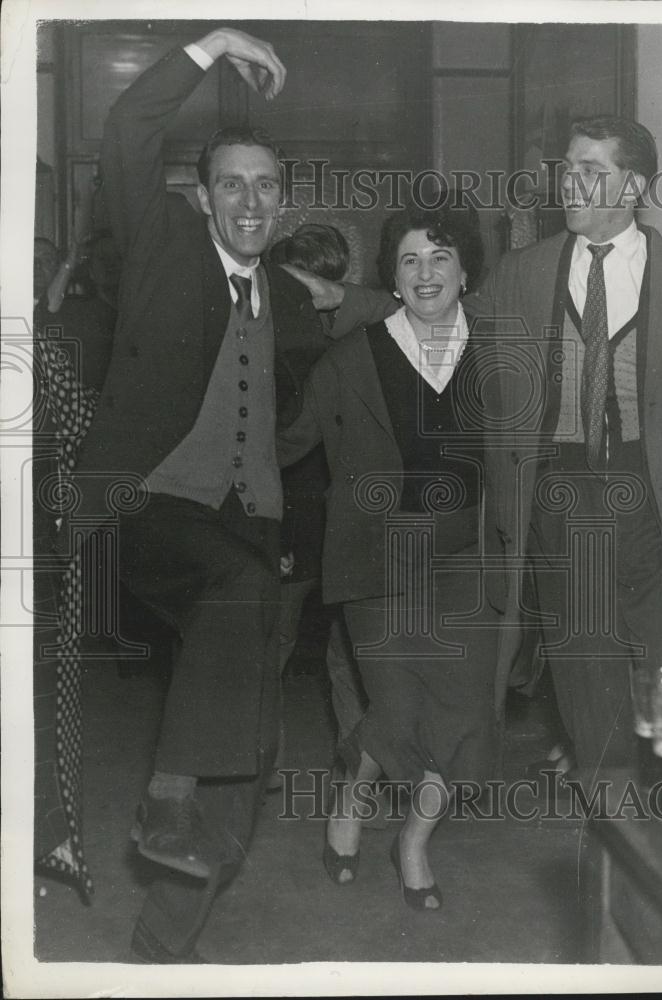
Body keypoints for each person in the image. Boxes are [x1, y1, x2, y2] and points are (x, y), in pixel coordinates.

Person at [288, 115, 662, 773]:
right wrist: (343, 298)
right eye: (568, 167)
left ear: (634, 185)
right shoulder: (523, 275)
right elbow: (434, 303)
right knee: (596, 716)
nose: (572, 182)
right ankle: (613, 854)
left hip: (659, 513)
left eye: (593, 170)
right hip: (559, 509)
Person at [63, 27, 327, 962]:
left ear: (281, 204)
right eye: (231, 184)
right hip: (144, 503)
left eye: (265, 187)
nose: (249, 200)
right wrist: (213, 43)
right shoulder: (162, 247)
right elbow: (131, 124)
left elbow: (355, 312)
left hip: (241, 524)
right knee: (237, 595)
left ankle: (162, 940)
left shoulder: (286, 298)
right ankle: (167, 798)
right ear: (203, 197)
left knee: (253, 748)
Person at [278, 203, 498, 910]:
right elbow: (286, 443)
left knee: (462, 714)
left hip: (469, 551)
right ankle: (358, 802)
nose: (426, 272)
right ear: (392, 280)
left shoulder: (501, 347)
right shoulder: (354, 356)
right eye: (409, 260)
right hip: (379, 553)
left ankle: (411, 838)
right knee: (400, 708)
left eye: (440, 257)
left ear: (466, 272)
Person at [267, 223, 365, 786]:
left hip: (312, 522)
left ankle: (271, 771)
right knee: (345, 657)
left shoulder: (347, 344)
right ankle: (359, 785)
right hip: (310, 521)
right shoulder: (337, 346)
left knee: (326, 654)